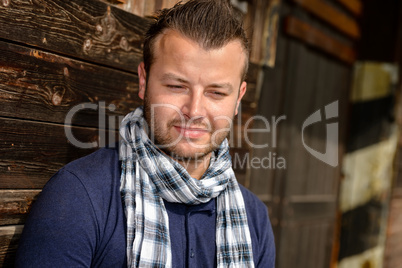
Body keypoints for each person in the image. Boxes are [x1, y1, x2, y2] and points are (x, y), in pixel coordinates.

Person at [15, 0, 276, 267]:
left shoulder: (254, 218)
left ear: (238, 99)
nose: (194, 110)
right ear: (143, 80)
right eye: (176, 86)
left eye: (216, 92)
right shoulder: (79, 196)